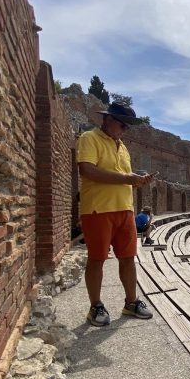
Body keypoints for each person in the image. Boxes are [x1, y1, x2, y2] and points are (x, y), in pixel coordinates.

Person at [76, 101, 155, 326]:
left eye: (127, 127)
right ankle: (95, 306)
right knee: (97, 258)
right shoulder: (90, 138)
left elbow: (122, 177)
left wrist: (137, 181)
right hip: (98, 209)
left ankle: (131, 302)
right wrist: (127, 179)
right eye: (123, 125)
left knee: (128, 258)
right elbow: (87, 170)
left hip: (125, 209)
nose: (125, 130)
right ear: (108, 119)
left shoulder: (122, 147)